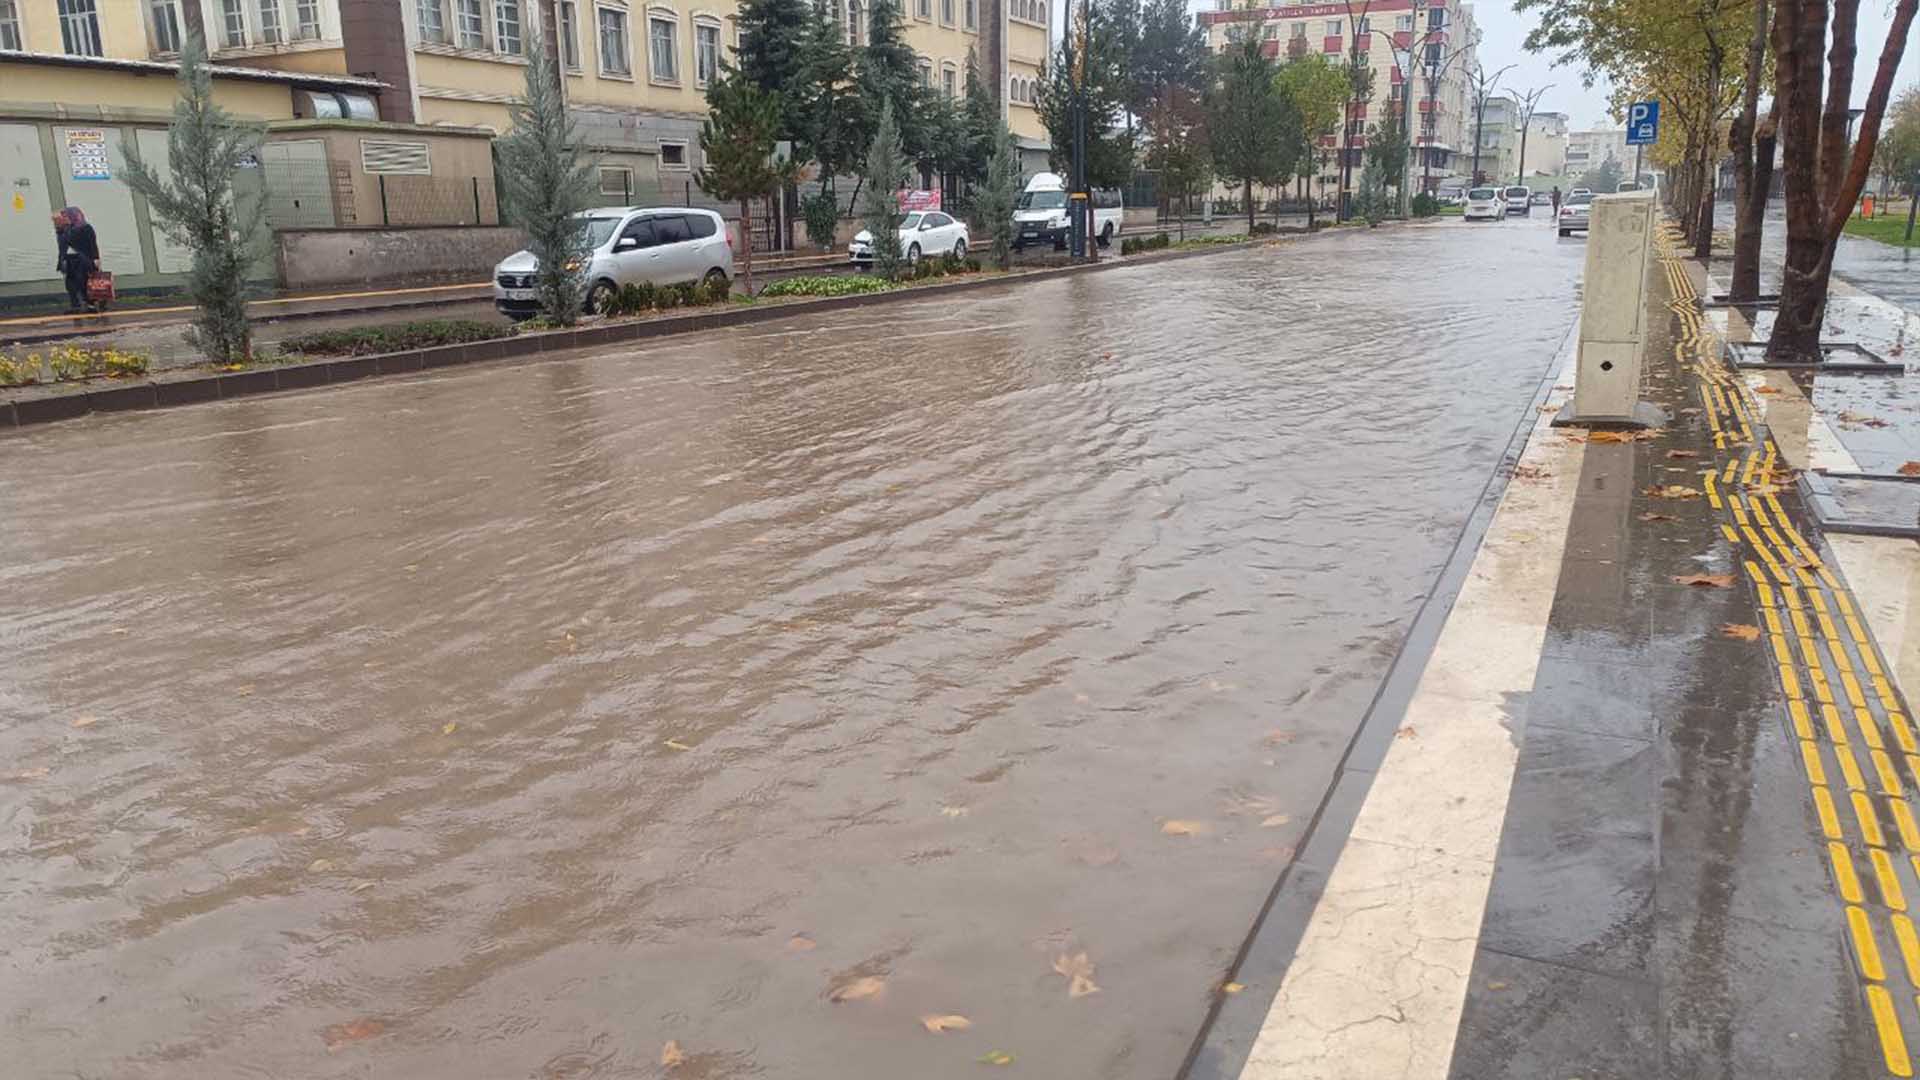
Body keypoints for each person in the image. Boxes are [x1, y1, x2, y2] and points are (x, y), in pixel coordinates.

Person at [55, 205, 100, 313]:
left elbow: (92, 244)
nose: (64, 218)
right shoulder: (65, 229)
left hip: (83, 259)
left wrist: (96, 258)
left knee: (84, 282)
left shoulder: (86, 227)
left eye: (66, 216)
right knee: (70, 284)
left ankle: (90, 304)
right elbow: (62, 246)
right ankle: (75, 305)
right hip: (70, 260)